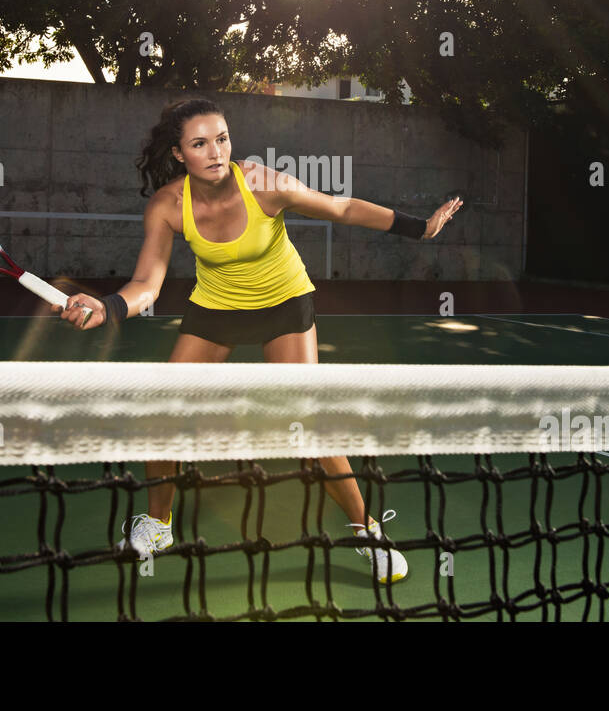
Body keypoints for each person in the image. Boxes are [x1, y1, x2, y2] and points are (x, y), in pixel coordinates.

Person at [56, 97, 462, 584]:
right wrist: (108, 306)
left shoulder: (262, 183)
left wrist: (421, 228)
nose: (215, 151)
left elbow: (342, 208)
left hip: (284, 305)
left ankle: (366, 530)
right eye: (199, 143)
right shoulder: (168, 205)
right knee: (163, 408)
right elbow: (148, 284)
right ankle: (159, 524)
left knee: (308, 422)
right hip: (217, 309)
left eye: (222, 138)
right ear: (179, 153)